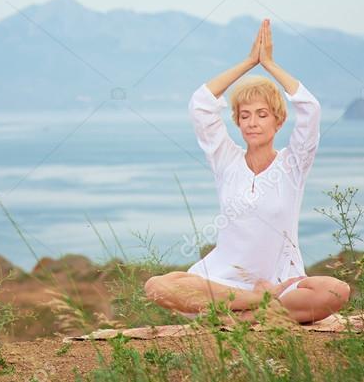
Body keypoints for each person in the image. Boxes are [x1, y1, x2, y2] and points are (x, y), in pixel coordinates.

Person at [143, 19, 350, 323]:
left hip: (281, 282)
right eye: (245, 115)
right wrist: (248, 62)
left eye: (262, 114)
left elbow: (311, 109)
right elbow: (201, 104)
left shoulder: (293, 165)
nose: (253, 122)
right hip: (224, 285)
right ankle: (256, 306)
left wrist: (268, 65)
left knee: (336, 291)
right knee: (157, 287)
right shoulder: (226, 160)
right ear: (237, 123)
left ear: (278, 121)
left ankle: (241, 317)